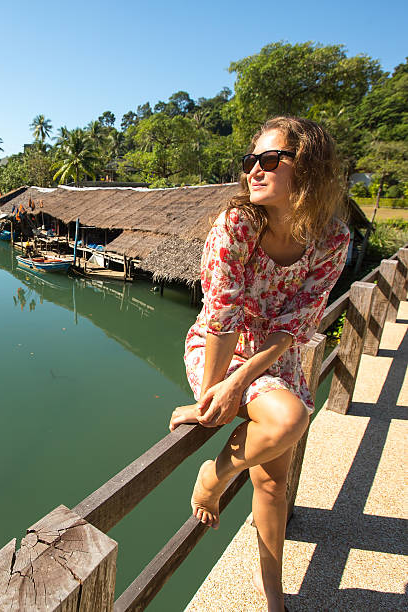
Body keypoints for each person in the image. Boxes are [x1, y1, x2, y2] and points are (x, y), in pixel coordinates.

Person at [169, 116, 350, 612]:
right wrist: (212, 395)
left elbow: (296, 324)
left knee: (274, 485)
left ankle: (273, 596)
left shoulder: (331, 239)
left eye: (271, 159)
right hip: (216, 351)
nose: (255, 170)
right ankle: (216, 475)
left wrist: (241, 383)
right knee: (290, 418)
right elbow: (221, 318)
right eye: (251, 160)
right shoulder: (235, 226)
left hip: (275, 357)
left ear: (307, 169)